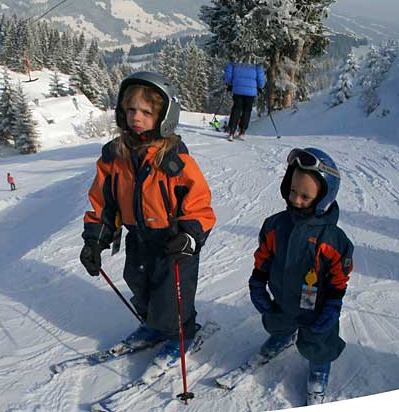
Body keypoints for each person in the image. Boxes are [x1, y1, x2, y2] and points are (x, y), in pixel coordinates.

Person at [79, 71, 216, 370]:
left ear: (164, 117)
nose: (136, 118)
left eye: (146, 112)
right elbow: (104, 203)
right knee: (139, 286)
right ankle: (154, 325)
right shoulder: (114, 158)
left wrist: (190, 236)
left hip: (173, 242)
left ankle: (181, 333)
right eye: (130, 110)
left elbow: (199, 207)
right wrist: (94, 240)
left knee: (172, 299)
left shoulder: (175, 161)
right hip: (138, 237)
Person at [248, 147, 353, 405]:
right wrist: (257, 283)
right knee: (278, 320)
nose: (295, 200)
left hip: (316, 306)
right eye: (293, 191)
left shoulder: (332, 239)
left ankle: (319, 367)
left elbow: (339, 277)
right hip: (283, 296)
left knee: (319, 339)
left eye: (305, 196)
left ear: (324, 197)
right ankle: (284, 335)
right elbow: (263, 256)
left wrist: (333, 304)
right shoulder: (275, 225)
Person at [223, 61, 265, 141]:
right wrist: (260, 86)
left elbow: (228, 74)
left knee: (236, 109)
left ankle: (231, 131)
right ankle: (242, 131)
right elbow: (260, 76)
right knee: (247, 111)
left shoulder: (235, 60)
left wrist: (229, 83)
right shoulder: (256, 61)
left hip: (237, 89)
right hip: (250, 91)